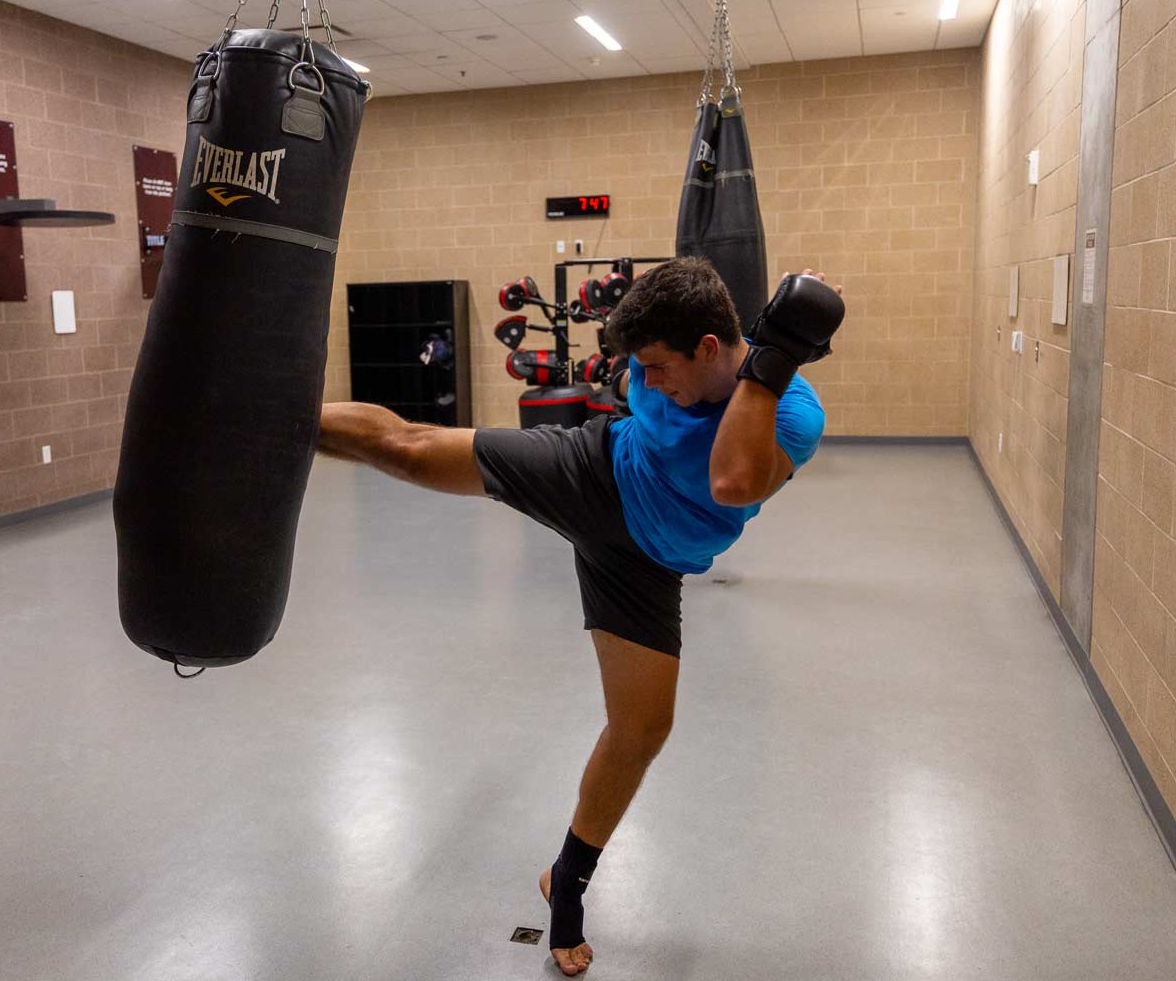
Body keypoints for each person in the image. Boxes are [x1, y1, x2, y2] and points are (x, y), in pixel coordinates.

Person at [316, 257, 841, 975]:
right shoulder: (648, 375)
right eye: (642, 369)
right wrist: (638, 377)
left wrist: (775, 360)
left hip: (648, 563)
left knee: (642, 729)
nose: (649, 383)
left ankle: (567, 878)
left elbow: (732, 480)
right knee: (408, 450)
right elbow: (635, 390)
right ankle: (271, 419)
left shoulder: (791, 413)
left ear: (712, 349)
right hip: (594, 475)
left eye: (660, 367)